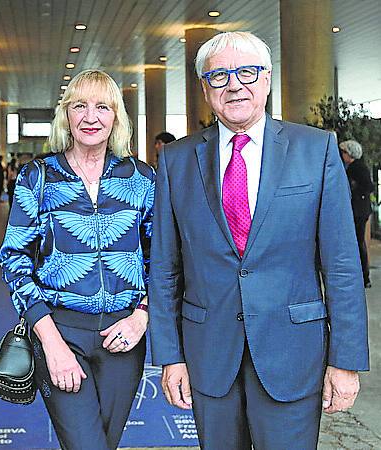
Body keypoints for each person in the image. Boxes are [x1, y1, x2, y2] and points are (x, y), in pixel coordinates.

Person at [149, 31, 369, 449]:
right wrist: (170, 356)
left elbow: (341, 264)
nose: (234, 85)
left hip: (293, 353)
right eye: (220, 76)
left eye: (247, 72)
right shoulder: (176, 161)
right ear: (204, 88)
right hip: (209, 355)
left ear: (266, 79)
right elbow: (164, 266)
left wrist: (346, 361)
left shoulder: (315, 149)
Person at [0, 69, 154, 450]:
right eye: (80, 106)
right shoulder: (39, 177)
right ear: (66, 115)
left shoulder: (141, 178)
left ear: (116, 116)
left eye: (103, 107)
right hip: (60, 331)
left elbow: (163, 261)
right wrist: (50, 342)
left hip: (124, 338)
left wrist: (142, 316)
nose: (91, 117)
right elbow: (14, 259)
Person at [340, 139, 374, 288]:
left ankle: (363, 276)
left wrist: (355, 191)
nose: (342, 155)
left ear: (350, 154)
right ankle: (363, 276)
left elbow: (368, 186)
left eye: (344, 152)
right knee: (358, 243)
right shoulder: (357, 167)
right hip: (361, 210)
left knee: (357, 243)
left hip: (358, 211)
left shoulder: (356, 168)